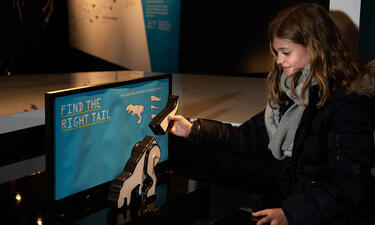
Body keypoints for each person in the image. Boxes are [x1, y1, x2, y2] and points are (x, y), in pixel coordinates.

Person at [168, 3, 375, 225]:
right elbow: (246, 137)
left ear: (315, 48)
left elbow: (349, 185)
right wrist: (193, 130)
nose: (278, 60)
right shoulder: (294, 93)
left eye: (285, 52)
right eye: (277, 52)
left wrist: (290, 214)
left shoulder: (348, 104)